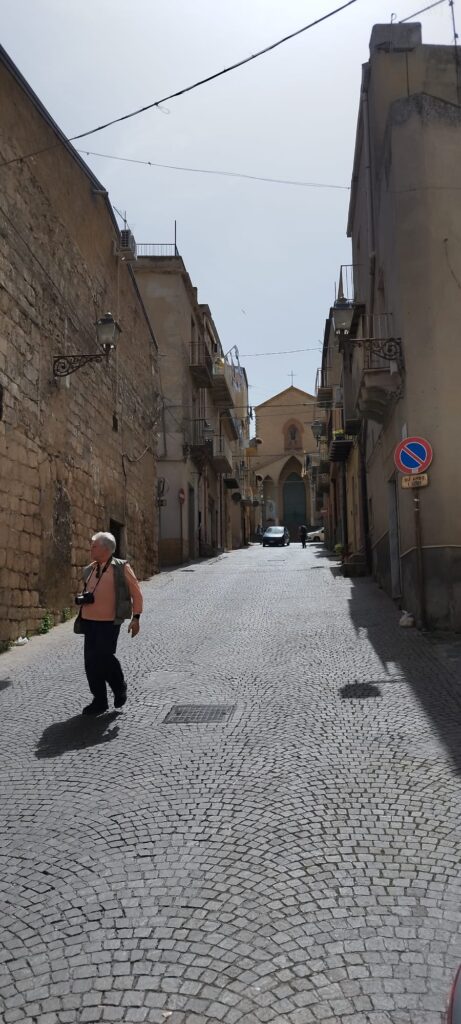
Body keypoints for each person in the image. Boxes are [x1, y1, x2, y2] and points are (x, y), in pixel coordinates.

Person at [75, 532, 143, 716]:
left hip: (109, 622)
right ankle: (99, 701)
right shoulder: (90, 569)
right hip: (89, 621)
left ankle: (119, 686)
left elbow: (136, 593)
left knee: (104, 658)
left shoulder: (121, 568)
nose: (91, 549)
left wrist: (135, 618)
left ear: (106, 548)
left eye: (94, 546)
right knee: (91, 662)